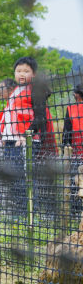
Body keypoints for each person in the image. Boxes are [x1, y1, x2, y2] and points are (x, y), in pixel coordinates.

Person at [0, 56, 56, 219]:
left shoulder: (35, 90)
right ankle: (19, 212)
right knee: (13, 177)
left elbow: (40, 117)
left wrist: (28, 134)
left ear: (33, 74)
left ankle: (29, 214)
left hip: (27, 141)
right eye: (18, 71)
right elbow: (8, 116)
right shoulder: (15, 92)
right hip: (10, 141)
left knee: (24, 177)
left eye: (26, 71)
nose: (21, 74)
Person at [63, 83, 83, 220]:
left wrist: (65, 148)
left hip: (76, 152)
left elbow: (66, 134)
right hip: (77, 152)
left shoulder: (71, 109)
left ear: (76, 95)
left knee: (76, 183)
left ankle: (76, 213)